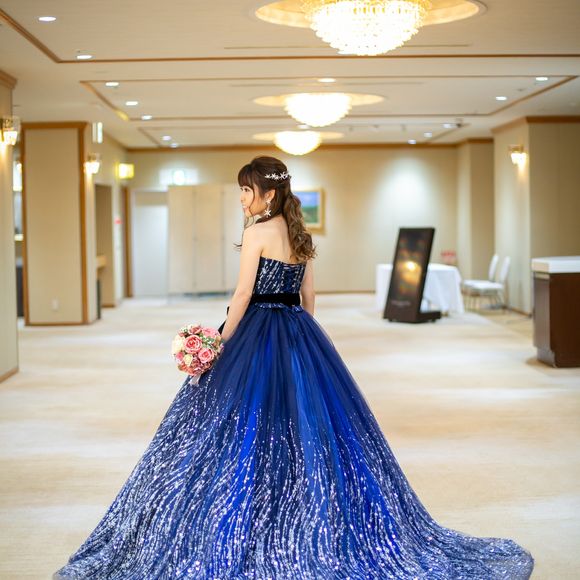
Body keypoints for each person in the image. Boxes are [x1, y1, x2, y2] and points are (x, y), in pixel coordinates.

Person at [54, 156, 534, 579]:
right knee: (307, 421)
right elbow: (309, 297)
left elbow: (243, 294)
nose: (241, 198)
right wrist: (304, 340)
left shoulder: (256, 232)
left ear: (267, 193)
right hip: (299, 332)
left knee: (238, 420)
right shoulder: (301, 235)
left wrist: (219, 342)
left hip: (257, 330)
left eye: (246, 190)